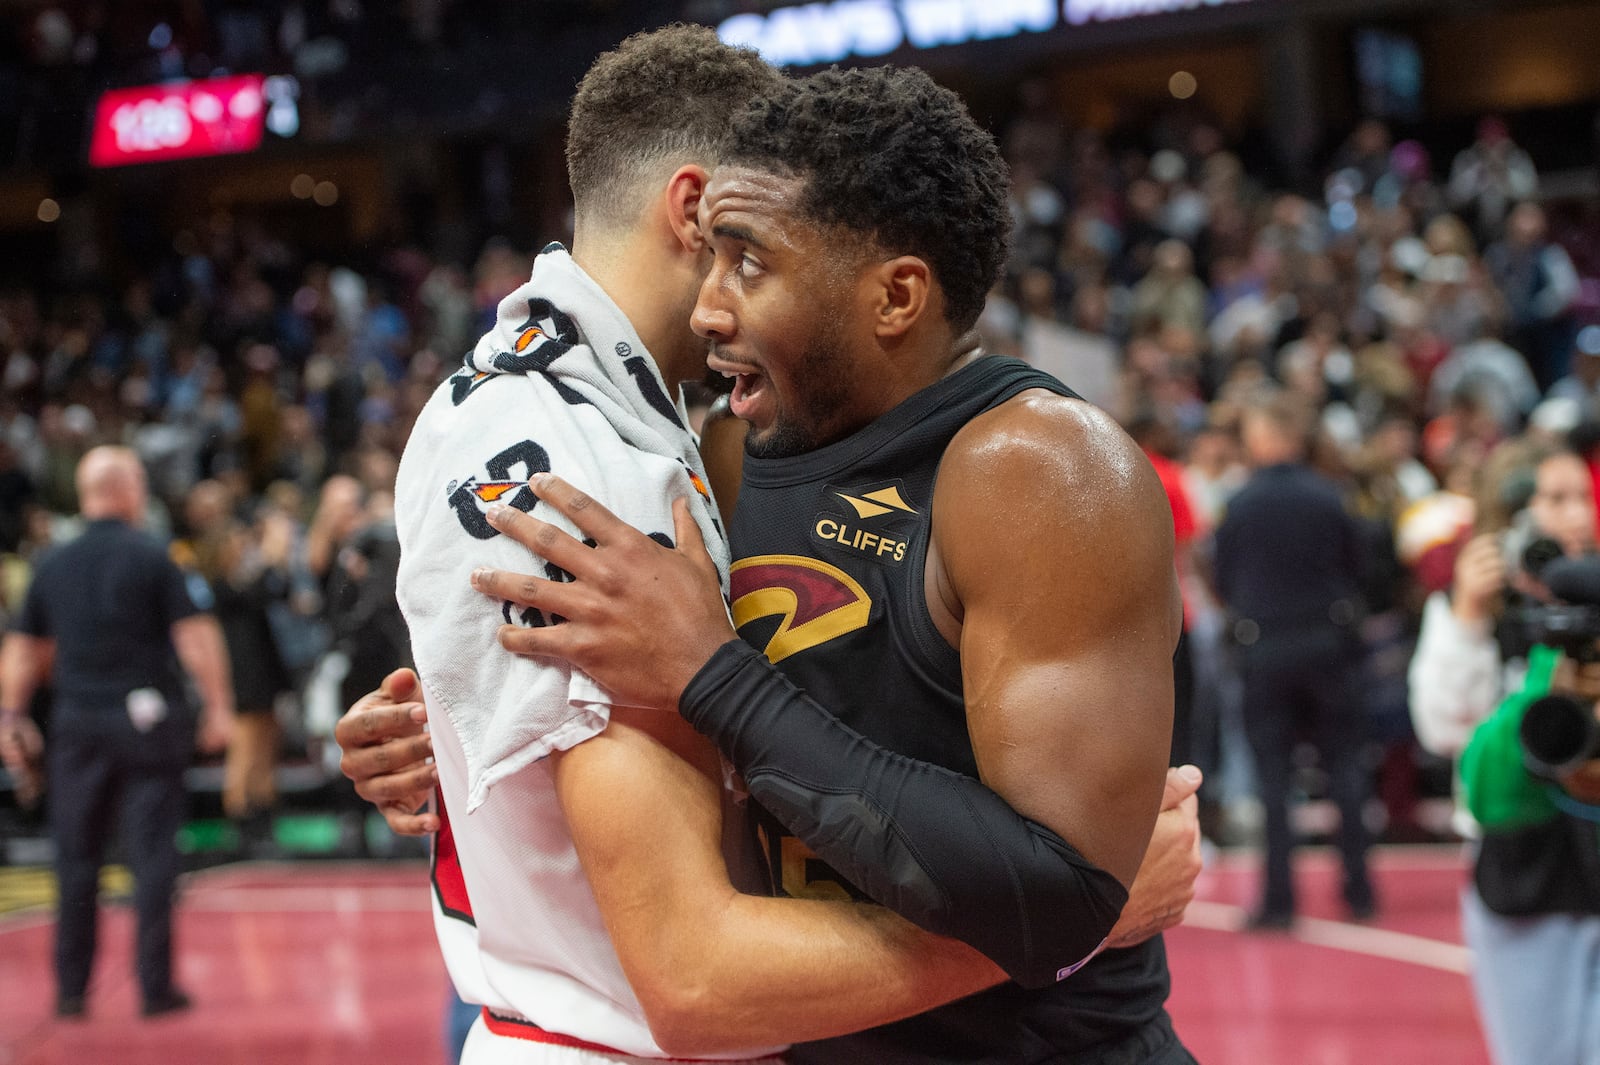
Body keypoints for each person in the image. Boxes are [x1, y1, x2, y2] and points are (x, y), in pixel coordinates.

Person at [418, 61, 1194, 1063]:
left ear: (895, 296)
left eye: (749, 265)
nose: (705, 308)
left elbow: (1058, 895)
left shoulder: (1038, 471)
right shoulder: (734, 453)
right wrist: (441, 720)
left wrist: (712, 676)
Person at [0, 446, 235, 1019]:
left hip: (77, 726)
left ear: (85, 494)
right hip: (148, 725)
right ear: (130, 489)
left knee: (75, 856)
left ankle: (71, 989)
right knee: (152, 855)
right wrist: (219, 707)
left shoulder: (50, 563)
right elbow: (195, 636)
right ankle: (155, 989)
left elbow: (24, 651)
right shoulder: (157, 556)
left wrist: (11, 718)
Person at [1407, 440, 1599, 1065]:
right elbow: (1442, 729)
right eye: (1555, 498)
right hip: (1524, 867)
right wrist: (1467, 613)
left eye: (1582, 496)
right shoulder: (1480, 610)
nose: (1576, 515)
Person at [1212, 388, 1376, 928]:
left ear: (1263, 438)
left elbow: (1222, 577)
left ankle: (1279, 900)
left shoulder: (1240, 503)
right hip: (1330, 645)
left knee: (1272, 779)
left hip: (1264, 649)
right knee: (1345, 771)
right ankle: (1359, 890)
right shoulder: (1330, 497)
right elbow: (1359, 566)